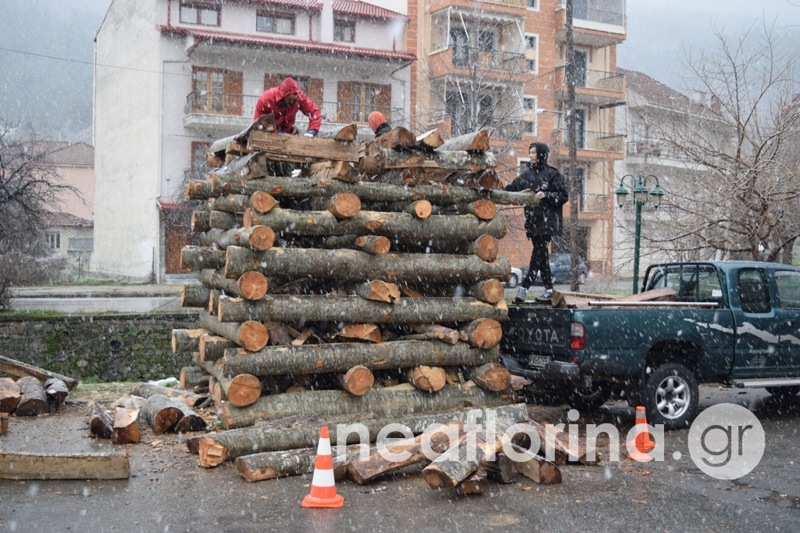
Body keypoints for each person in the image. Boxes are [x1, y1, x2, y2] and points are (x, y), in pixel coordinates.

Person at [505, 142, 568, 302]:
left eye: (533, 152)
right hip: (533, 222)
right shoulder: (527, 175)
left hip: (548, 222)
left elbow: (563, 195)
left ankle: (524, 287)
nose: (530, 155)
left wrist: (546, 195)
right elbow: (512, 188)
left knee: (538, 252)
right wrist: (494, 189)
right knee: (542, 255)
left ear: (541, 154)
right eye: (530, 152)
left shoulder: (553, 174)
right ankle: (549, 289)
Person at [253, 77, 322, 137]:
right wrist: (275, 132)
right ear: (283, 96)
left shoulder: (300, 98)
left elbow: (314, 112)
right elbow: (259, 122)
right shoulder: (266, 99)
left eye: (294, 100)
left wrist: (311, 131)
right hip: (269, 134)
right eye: (289, 99)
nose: (292, 102)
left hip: (289, 132)